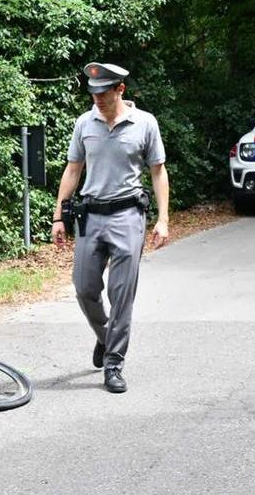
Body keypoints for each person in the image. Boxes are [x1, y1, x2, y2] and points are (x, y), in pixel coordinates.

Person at [50, 62, 170, 394]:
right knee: (84, 287)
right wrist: (59, 215)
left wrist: (163, 219)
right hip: (91, 217)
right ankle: (106, 337)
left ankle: (114, 363)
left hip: (128, 217)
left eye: (103, 94)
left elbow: (158, 172)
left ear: (120, 90)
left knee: (121, 293)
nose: (98, 100)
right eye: (93, 94)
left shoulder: (144, 123)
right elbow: (73, 169)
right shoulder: (84, 123)